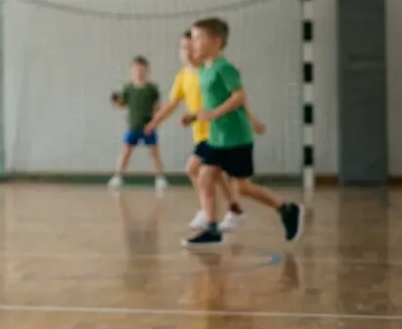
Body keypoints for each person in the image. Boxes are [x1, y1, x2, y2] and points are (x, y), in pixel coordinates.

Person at [182, 17, 303, 247]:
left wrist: (215, 114)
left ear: (217, 41)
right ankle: (211, 229)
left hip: (236, 137)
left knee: (242, 187)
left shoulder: (224, 68)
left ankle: (286, 208)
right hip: (216, 138)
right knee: (205, 176)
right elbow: (211, 102)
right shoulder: (204, 70)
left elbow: (239, 96)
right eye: (193, 37)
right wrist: (194, 115)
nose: (193, 42)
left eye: (198, 37)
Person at [145, 30, 267, 232]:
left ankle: (211, 214)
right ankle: (231, 209)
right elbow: (171, 104)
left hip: (217, 133)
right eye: (183, 48)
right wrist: (155, 122)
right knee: (212, 175)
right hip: (200, 133)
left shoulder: (211, 71)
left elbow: (235, 98)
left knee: (195, 169)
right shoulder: (183, 76)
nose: (187, 52)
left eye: (190, 47)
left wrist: (251, 119)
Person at [108, 56, 167, 191]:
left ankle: (160, 178)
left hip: (148, 127)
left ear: (147, 71)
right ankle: (118, 176)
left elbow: (158, 107)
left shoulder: (152, 89)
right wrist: (116, 101)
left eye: (142, 70)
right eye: (136, 70)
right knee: (126, 152)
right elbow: (122, 103)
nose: (139, 72)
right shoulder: (128, 88)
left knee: (154, 153)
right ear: (131, 71)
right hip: (133, 126)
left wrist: (157, 122)